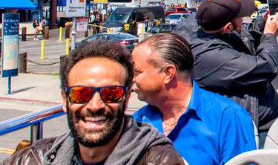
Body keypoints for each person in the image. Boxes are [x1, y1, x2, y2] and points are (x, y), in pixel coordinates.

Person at [5, 40, 183, 165]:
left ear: (126, 98)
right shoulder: (33, 159)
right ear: (64, 100)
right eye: (81, 93)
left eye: (110, 93)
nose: (95, 105)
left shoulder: (159, 160)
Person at [174, 0, 278, 148]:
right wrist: (270, 35)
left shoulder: (205, 25)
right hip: (255, 127)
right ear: (228, 27)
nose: (244, 19)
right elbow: (267, 67)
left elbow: (241, 38)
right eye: (241, 17)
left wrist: (262, 25)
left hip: (260, 116)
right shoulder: (209, 56)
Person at [132, 33, 256, 164]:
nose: (132, 79)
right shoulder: (137, 121)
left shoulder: (227, 118)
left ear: (168, 73)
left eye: (137, 72)